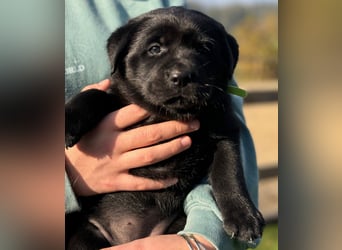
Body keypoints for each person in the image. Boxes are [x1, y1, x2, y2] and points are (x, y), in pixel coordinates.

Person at [65, 1, 260, 249]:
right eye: (155, 49)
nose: (181, 70)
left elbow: (226, 142)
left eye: (202, 50)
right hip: (96, 226)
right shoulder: (114, 98)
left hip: (174, 227)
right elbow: (99, 100)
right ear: (120, 56)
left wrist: (222, 215)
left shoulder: (212, 109)